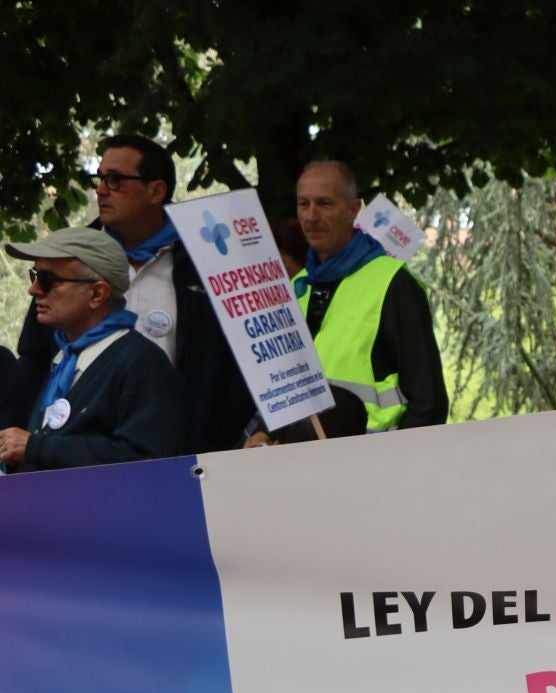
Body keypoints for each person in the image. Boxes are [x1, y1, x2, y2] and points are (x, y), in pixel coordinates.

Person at [12, 134, 250, 453]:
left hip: (183, 453)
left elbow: (231, 365)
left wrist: (219, 444)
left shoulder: (207, 257)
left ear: (156, 191)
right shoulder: (74, 257)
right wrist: (24, 448)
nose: (100, 189)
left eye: (115, 180)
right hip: (69, 454)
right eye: (99, 178)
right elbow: (34, 360)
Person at [1, 227, 184, 472]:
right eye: (34, 276)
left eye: (47, 280)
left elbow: (147, 460)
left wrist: (35, 447)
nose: (33, 290)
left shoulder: (141, 362)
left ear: (97, 294)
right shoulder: (65, 358)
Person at [289, 160, 448, 434]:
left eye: (324, 204)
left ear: (353, 210)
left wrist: (391, 466)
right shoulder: (297, 286)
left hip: (372, 464)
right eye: (304, 204)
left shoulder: (393, 283)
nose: (311, 216)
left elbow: (429, 403)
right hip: (302, 462)